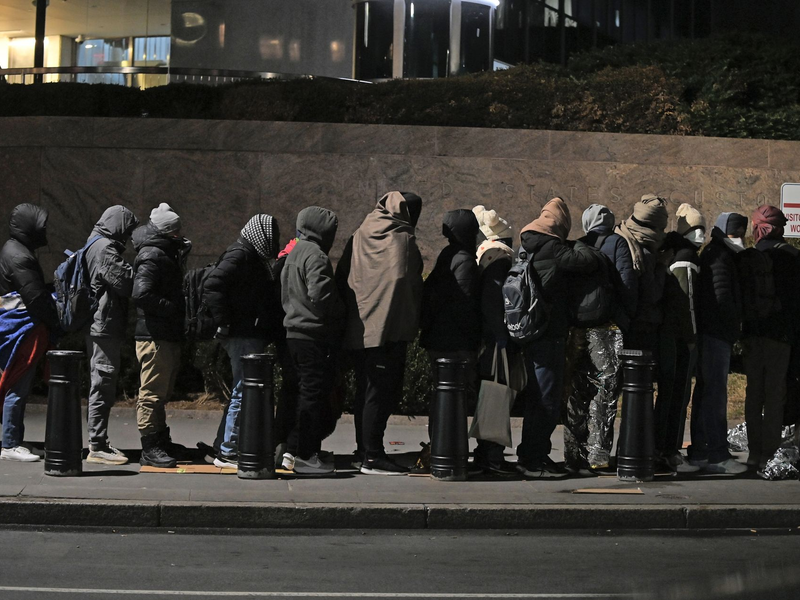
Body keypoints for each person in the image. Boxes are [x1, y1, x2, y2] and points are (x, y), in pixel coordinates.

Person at [337, 192, 423, 475]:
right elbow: (406, 279)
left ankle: (363, 451)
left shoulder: (361, 232)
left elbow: (343, 275)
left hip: (361, 329)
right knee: (381, 393)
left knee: (366, 392)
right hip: (389, 332)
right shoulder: (403, 239)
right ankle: (373, 455)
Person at [517, 197, 598, 479]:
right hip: (549, 332)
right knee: (547, 399)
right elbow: (584, 261)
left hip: (532, 330)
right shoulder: (553, 246)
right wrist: (586, 243)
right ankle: (533, 459)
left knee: (538, 397)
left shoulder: (527, 244)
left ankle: (532, 455)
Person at [204, 214, 281, 469]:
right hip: (243, 334)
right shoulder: (241, 255)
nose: (273, 243)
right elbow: (213, 283)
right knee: (242, 393)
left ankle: (223, 446)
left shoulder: (249, 255)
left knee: (241, 391)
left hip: (246, 332)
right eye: (270, 237)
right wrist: (223, 322)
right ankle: (228, 451)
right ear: (259, 234)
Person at [564, 204, 635, 474]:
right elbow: (627, 282)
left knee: (577, 392)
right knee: (604, 392)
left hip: (577, 329)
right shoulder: (617, 242)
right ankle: (598, 455)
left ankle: (573, 456)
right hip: (606, 329)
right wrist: (626, 319)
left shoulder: (578, 246)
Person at [281, 206, 344, 475]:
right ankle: (305, 455)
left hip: (293, 334)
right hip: (311, 336)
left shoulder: (294, 252)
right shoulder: (316, 255)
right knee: (312, 395)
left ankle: (290, 449)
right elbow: (320, 295)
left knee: (294, 393)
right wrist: (341, 309)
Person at [131, 204, 192, 468]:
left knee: (160, 392)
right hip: (154, 336)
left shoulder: (163, 252)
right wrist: (173, 309)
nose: (180, 233)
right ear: (168, 231)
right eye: (177, 230)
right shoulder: (153, 254)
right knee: (152, 393)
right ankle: (150, 446)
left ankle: (160, 439)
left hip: (162, 333)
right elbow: (141, 293)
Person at [741, 206, 800, 471]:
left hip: (753, 334)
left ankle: (754, 453)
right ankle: (770, 452)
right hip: (782, 336)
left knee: (754, 393)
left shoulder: (749, 257)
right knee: (776, 393)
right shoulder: (793, 257)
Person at [0, 204, 60, 462]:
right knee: (18, 384)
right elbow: (34, 298)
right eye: (41, 226)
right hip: (21, 330)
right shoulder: (20, 256)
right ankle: (10, 444)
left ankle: (14, 440)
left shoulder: (15, 250)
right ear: (28, 227)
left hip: (18, 328)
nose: (45, 230)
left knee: (18, 383)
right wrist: (57, 319)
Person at [690, 212, 748, 474]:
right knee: (715, 394)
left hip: (710, 333)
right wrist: (735, 324)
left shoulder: (716, 253)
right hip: (716, 335)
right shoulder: (720, 257)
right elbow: (722, 299)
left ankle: (701, 451)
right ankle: (716, 454)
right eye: (737, 234)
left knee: (706, 391)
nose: (740, 239)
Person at [84, 205, 139, 465]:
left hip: (99, 325)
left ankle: (98, 441)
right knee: (103, 382)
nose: (128, 238)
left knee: (101, 380)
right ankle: (97, 445)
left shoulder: (95, 242)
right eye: (127, 231)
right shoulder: (105, 248)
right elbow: (126, 283)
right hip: (103, 326)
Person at [654, 203, 705, 473]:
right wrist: (692, 337)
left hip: (669, 335)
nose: (701, 234)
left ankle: (664, 449)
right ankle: (669, 451)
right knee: (676, 395)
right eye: (697, 229)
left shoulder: (674, 252)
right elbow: (688, 305)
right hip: (679, 339)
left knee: (670, 394)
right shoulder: (686, 258)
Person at [420, 209, 482, 425]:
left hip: (439, 339)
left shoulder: (448, 254)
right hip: (455, 344)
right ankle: (447, 450)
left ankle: (439, 446)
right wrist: (474, 338)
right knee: (455, 397)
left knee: (442, 395)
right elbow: (463, 305)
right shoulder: (464, 260)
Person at [471, 205, 519, 476]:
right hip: (495, 342)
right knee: (496, 396)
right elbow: (494, 304)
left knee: (490, 394)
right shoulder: (499, 259)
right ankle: (491, 456)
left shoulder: (483, 256)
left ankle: (486, 454)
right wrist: (502, 337)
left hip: (484, 341)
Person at [614, 194, 668, 353]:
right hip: (642, 325)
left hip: (621, 320)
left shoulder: (621, 235)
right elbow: (652, 294)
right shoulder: (647, 254)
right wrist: (662, 266)